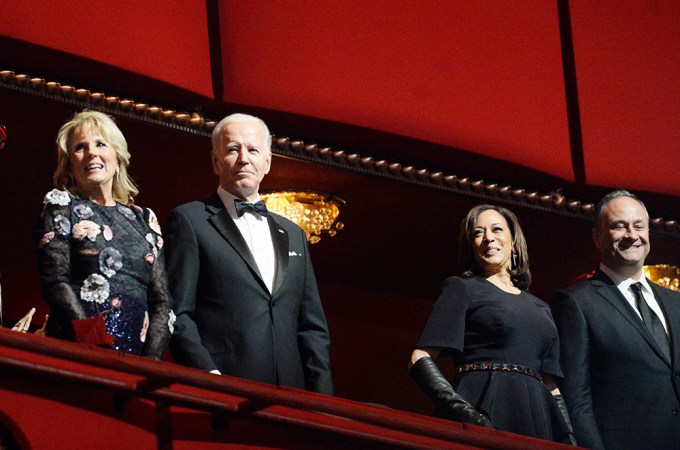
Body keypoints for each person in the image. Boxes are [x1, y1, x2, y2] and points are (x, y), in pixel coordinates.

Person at [164, 113, 332, 394]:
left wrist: (325, 402)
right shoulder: (189, 221)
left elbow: (312, 326)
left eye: (253, 150)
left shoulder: (294, 234)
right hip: (226, 392)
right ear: (216, 162)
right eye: (232, 149)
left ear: (267, 163)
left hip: (295, 398)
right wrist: (211, 378)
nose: (244, 158)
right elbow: (178, 313)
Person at [410, 204, 574, 443]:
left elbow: (551, 385)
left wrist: (569, 437)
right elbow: (420, 357)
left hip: (537, 417)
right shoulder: (462, 288)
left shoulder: (542, 308)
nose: (488, 238)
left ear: (514, 241)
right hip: (483, 408)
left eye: (496, 229)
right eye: (478, 233)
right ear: (471, 246)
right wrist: (465, 413)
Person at [35, 110, 171, 359]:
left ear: (117, 157)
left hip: (137, 358)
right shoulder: (62, 206)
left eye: (100, 144)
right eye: (80, 147)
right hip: (79, 351)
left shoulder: (144, 219)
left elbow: (161, 300)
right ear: (70, 164)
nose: (91, 153)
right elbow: (56, 281)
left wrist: (151, 361)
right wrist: (93, 341)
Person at [551, 190, 680, 450]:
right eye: (620, 226)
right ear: (598, 237)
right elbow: (576, 397)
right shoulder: (576, 302)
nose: (632, 235)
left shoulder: (676, 302)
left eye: (639, 226)